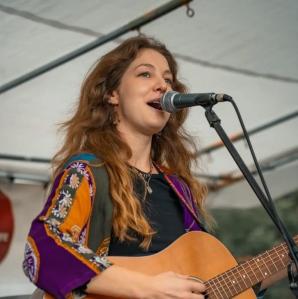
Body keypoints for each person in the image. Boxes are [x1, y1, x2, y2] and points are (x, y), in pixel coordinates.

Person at [23, 35, 273, 299]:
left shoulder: (180, 190)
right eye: (145, 74)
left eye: (168, 79)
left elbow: (209, 281)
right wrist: (148, 288)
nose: (163, 86)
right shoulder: (87, 173)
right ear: (112, 94)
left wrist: (286, 261)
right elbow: (43, 248)